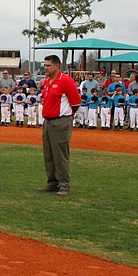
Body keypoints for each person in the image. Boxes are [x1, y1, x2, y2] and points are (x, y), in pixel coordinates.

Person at [38, 55, 81, 197]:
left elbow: (76, 103)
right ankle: (52, 183)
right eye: (45, 65)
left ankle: (64, 185)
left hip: (61, 121)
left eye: (48, 65)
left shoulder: (66, 81)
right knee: (48, 154)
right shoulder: (47, 82)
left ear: (57, 66)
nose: (45, 68)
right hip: (48, 121)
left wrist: (66, 116)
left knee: (60, 154)